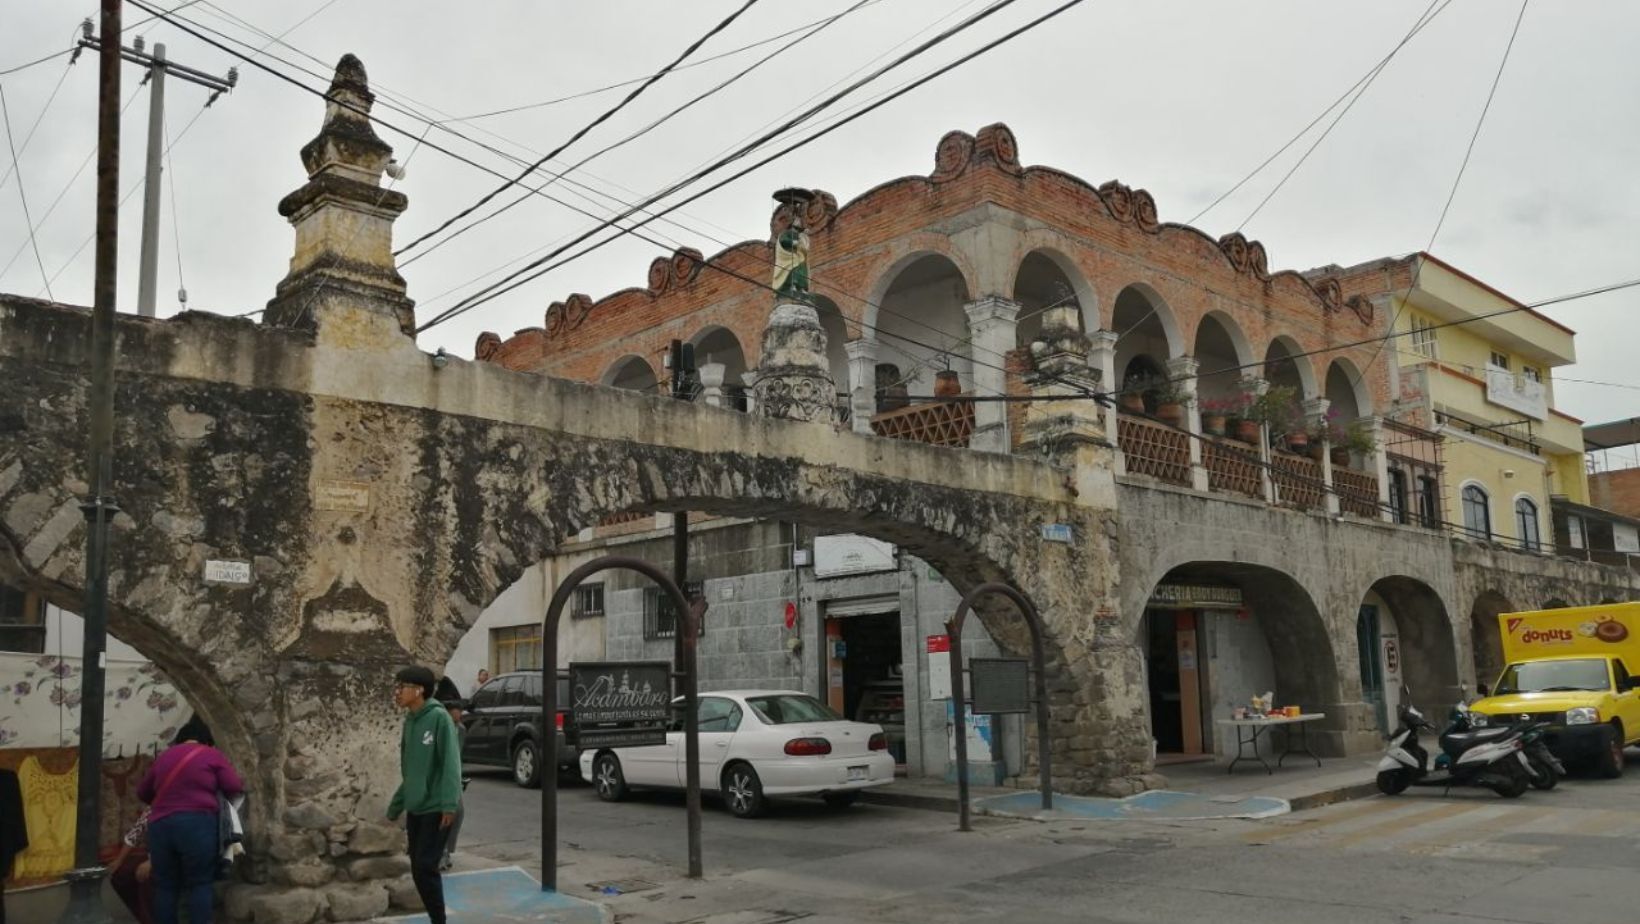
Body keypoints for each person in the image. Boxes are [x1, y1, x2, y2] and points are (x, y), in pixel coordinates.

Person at [136, 716, 243, 924]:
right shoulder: (212, 754)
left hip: (160, 826)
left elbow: (143, 792)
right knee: (200, 884)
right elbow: (234, 786)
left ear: (180, 740)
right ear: (207, 741)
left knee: (166, 886)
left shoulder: (164, 757)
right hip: (197, 825)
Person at [387, 666, 461, 924]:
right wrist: (396, 806)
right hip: (416, 808)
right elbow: (411, 771)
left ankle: (438, 920)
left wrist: (449, 804)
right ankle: (436, 918)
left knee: (425, 867)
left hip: (438, 807)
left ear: (418, 690)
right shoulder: (410, 721)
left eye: (402, 687)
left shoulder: (439, 718)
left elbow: (451, 763)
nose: (397, 692)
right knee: (419, 869)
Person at [107, 807, 155, 924]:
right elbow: (134, 835)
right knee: (120, 875)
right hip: (153, 856)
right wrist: (119, 860)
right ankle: (138, 914)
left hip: (175, 859)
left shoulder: (181, 807)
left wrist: (153, 862)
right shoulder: (153, 808)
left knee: (146, 878)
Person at [438, 697, 468, 871]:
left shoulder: (461, 730)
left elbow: (457, 756)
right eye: (453, 717)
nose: (457, 719)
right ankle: (439, 852)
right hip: (439, 777)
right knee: (441, 815)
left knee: (458, 812)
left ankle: (447, 850)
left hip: (453, 777)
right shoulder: (440, 728)